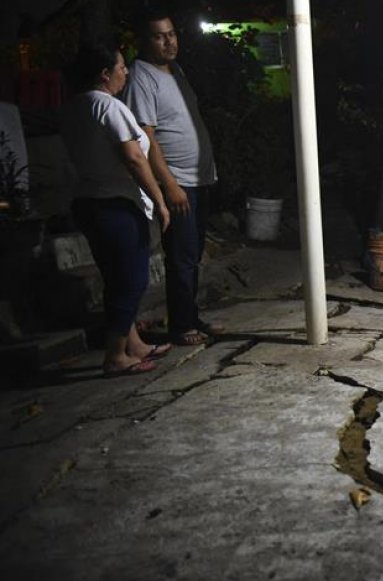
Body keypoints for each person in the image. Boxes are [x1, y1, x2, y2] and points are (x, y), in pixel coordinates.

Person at [60, 41, 173, 376]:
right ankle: (115, 356)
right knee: (132, 278)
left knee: (115, 276)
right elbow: (135, 158)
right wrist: (160, 199)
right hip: (116, 203)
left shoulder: (73, 107)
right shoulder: (108, 107)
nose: (126, 72)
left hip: (88, 202)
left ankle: (133, 344)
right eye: (122, 67)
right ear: (105, 74)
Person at [123, 7, 221, 346]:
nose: (168, 41)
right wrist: (170, 185)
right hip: (178, 181)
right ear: (144, 40)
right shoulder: (141, 76)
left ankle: (190, 316)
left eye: (172, 34)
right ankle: (181, 325)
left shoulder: (175, 70)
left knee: (192, 255)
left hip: (199, 178)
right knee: (180, 256)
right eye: (159, 36)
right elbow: (146, 136)